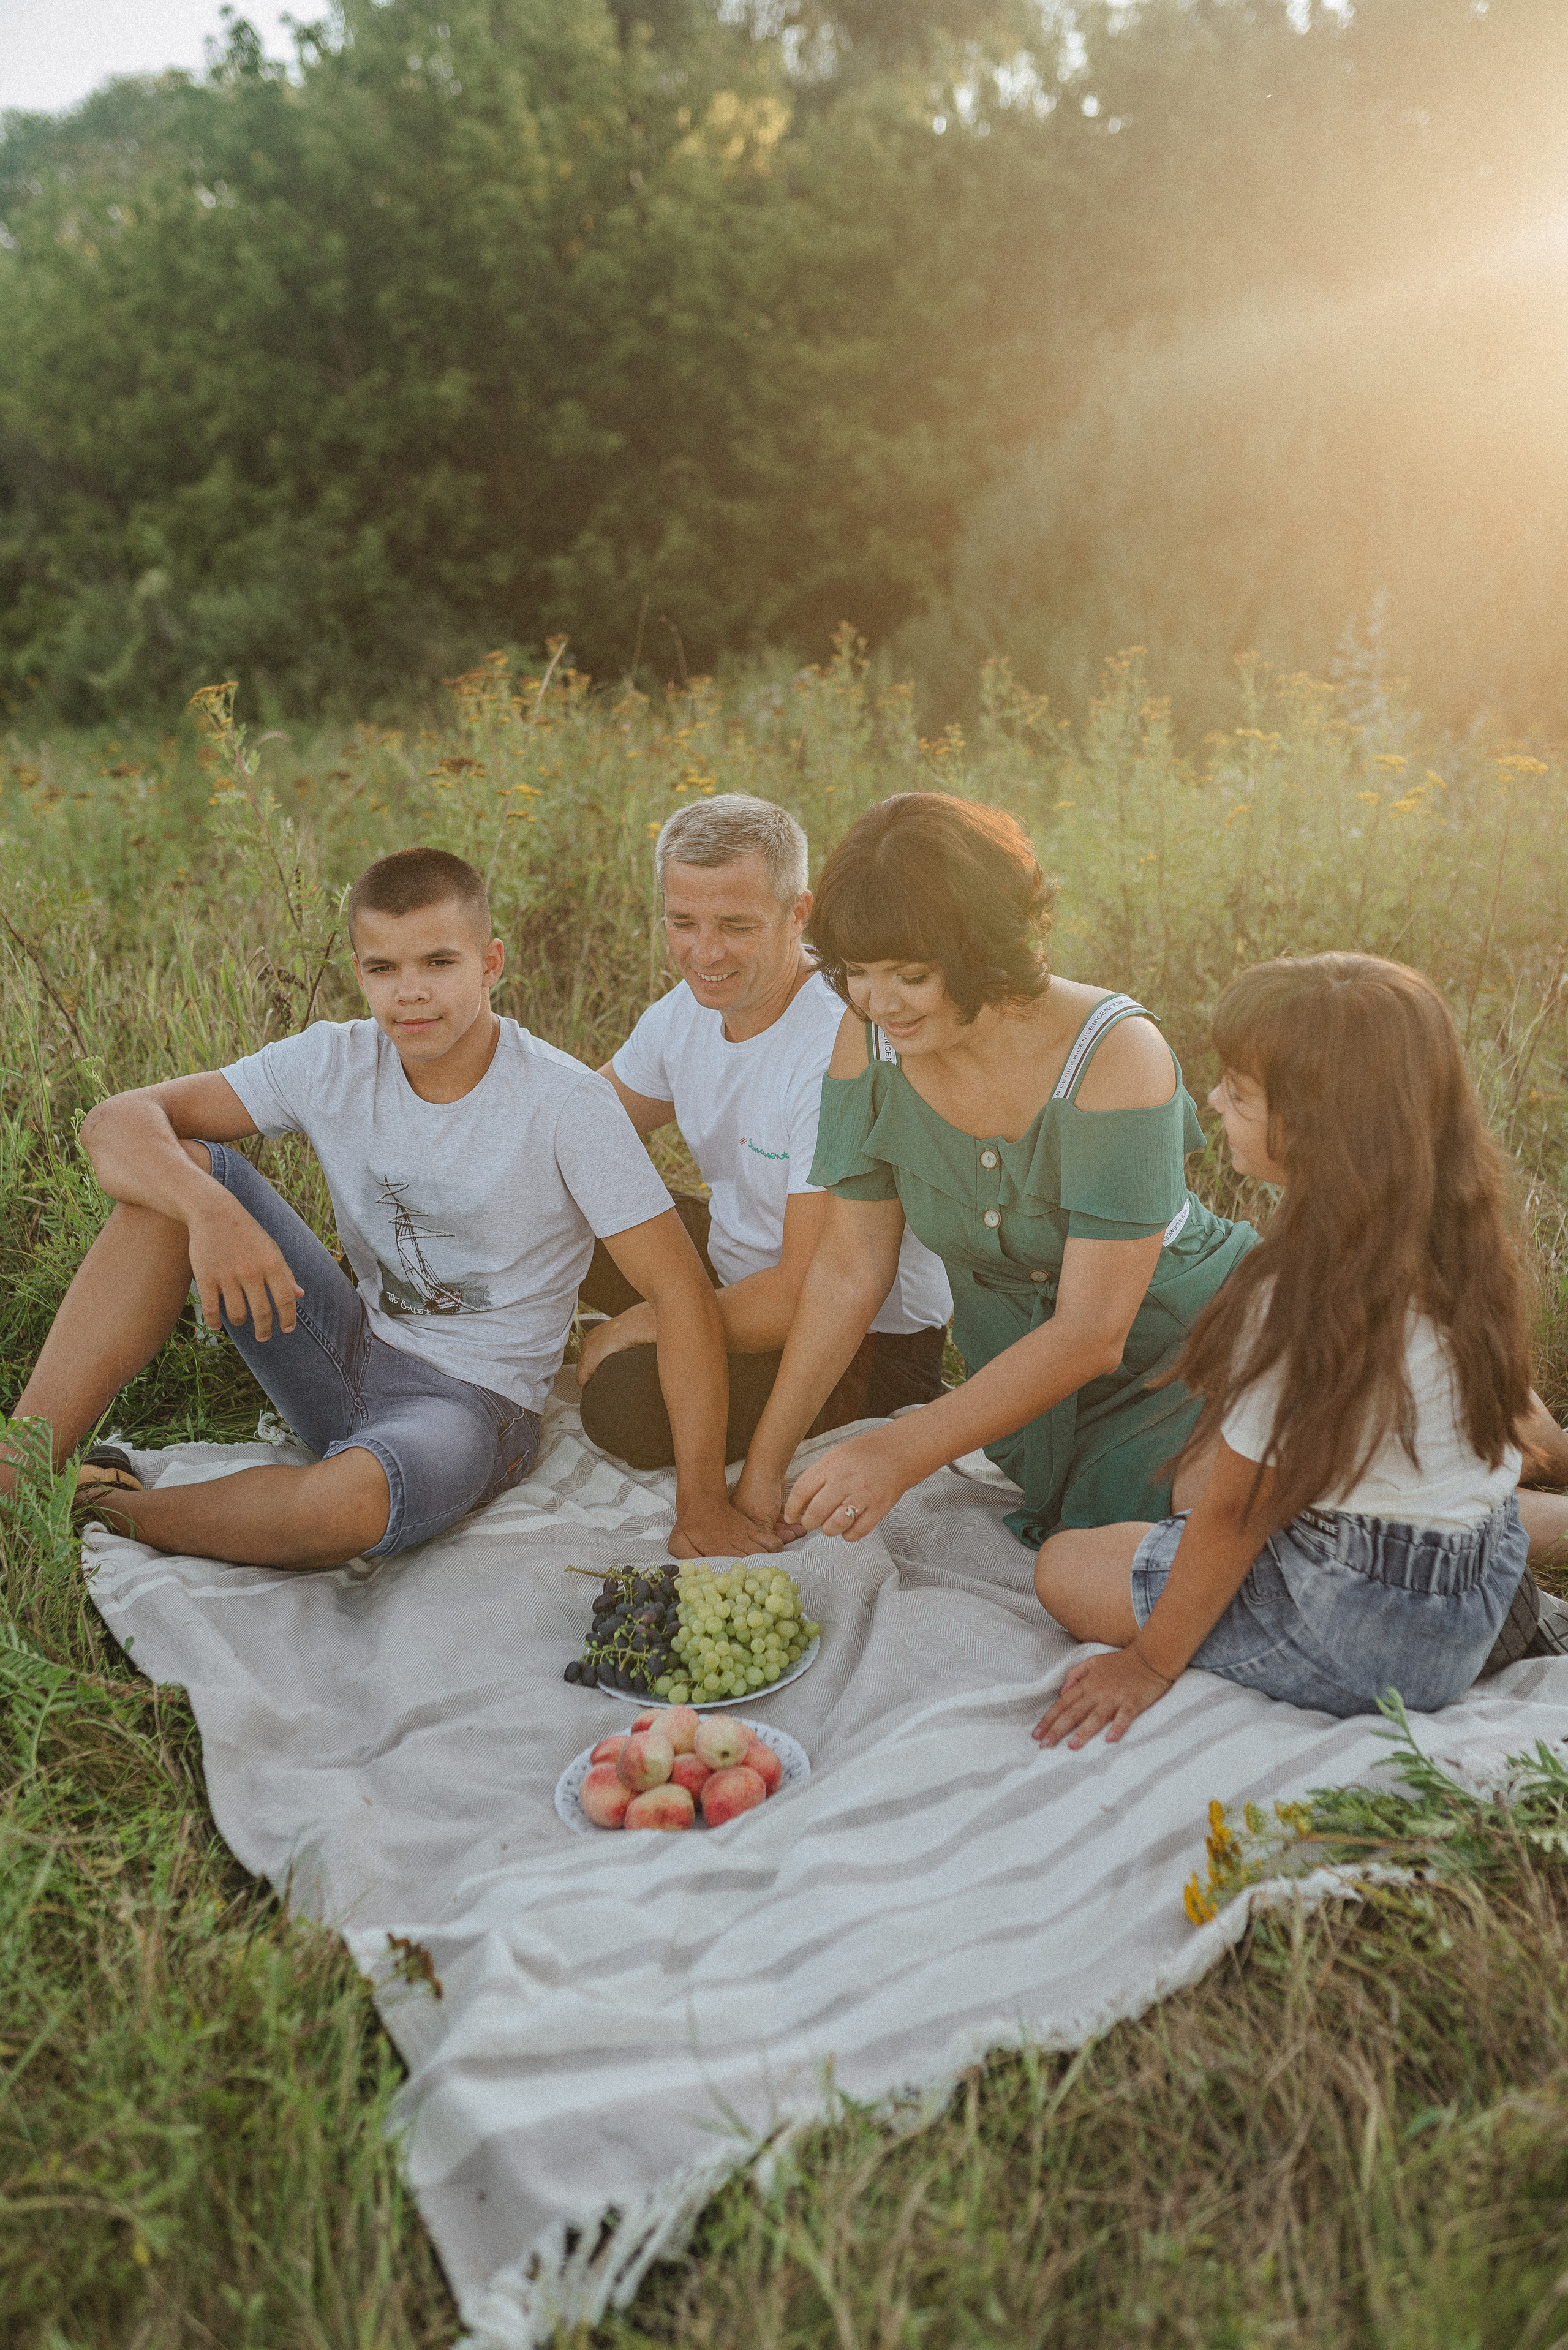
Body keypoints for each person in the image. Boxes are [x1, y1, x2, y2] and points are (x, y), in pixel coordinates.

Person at [1, 847, 770, 1569]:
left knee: (345, 1509)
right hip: (344, 1349)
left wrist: (701, 1501)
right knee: (174, 1180)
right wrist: (210, 1210)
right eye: (384, 967)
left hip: (472, 1407)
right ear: (360, 973)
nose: (410, 992)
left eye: (439, 962)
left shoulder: (566, 1103)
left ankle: (95, 1508)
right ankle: (19, 1469)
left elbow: (681, 1296)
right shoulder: (333, 1058)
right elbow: (115, 1123)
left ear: (489, 963)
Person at [1035, 952, 1568, 1749]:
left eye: (1239, 1093)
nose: (1211, 1100)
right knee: (1192, 1472)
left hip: (1373, 1631)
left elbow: (1234, 1514)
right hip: (1482, 1588)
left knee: (1067, 1564)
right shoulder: (1458, 1235)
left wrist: (1149, 1662)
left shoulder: (1296, 1300)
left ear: (1322, 1127)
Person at [732, 791, 1258, 1547]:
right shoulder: (871, 1043)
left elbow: (1090, 1332)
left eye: (910, 974)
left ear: (981, 950)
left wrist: (899, 1450)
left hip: (1198, 1362)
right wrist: (763, 1468)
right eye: (858, 972)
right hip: (1026, 1405)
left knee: (1235, 1541)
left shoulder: (1114, 1053)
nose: (879, 1002)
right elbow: (848, 1267)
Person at [577, 793, 953, 1468]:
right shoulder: (684, 1012)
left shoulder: (839, 1043)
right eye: (682, 922)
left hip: (859, 1340)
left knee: (623, 1402)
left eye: (735, 926)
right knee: (545, 1228)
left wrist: (648, 1325)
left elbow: (806, 1291)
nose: (704, 952)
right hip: (735, 1270)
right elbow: (575, 1129)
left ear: (797, 913)